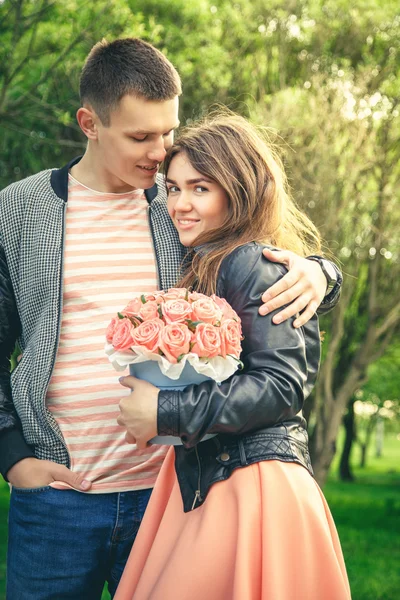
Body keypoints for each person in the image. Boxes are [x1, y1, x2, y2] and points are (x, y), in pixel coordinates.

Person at [0, 39, 342, 599]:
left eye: (168, 132)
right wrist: (13, 457)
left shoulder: (184, 205)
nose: (160, 153)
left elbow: (258, 270)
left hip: (175, 490)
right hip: (58, 496)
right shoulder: (20, 209)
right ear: (90, 122)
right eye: (140, 137)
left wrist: (321, 274)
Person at [115, 113, 351, 600]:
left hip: (252, 484)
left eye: (200, 189)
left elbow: (282, 386)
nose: (180, 204)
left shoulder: (250, 262)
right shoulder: (211, 260)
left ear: (238, 192)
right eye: (174, 188)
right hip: (216, 473)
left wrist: (165, 410)